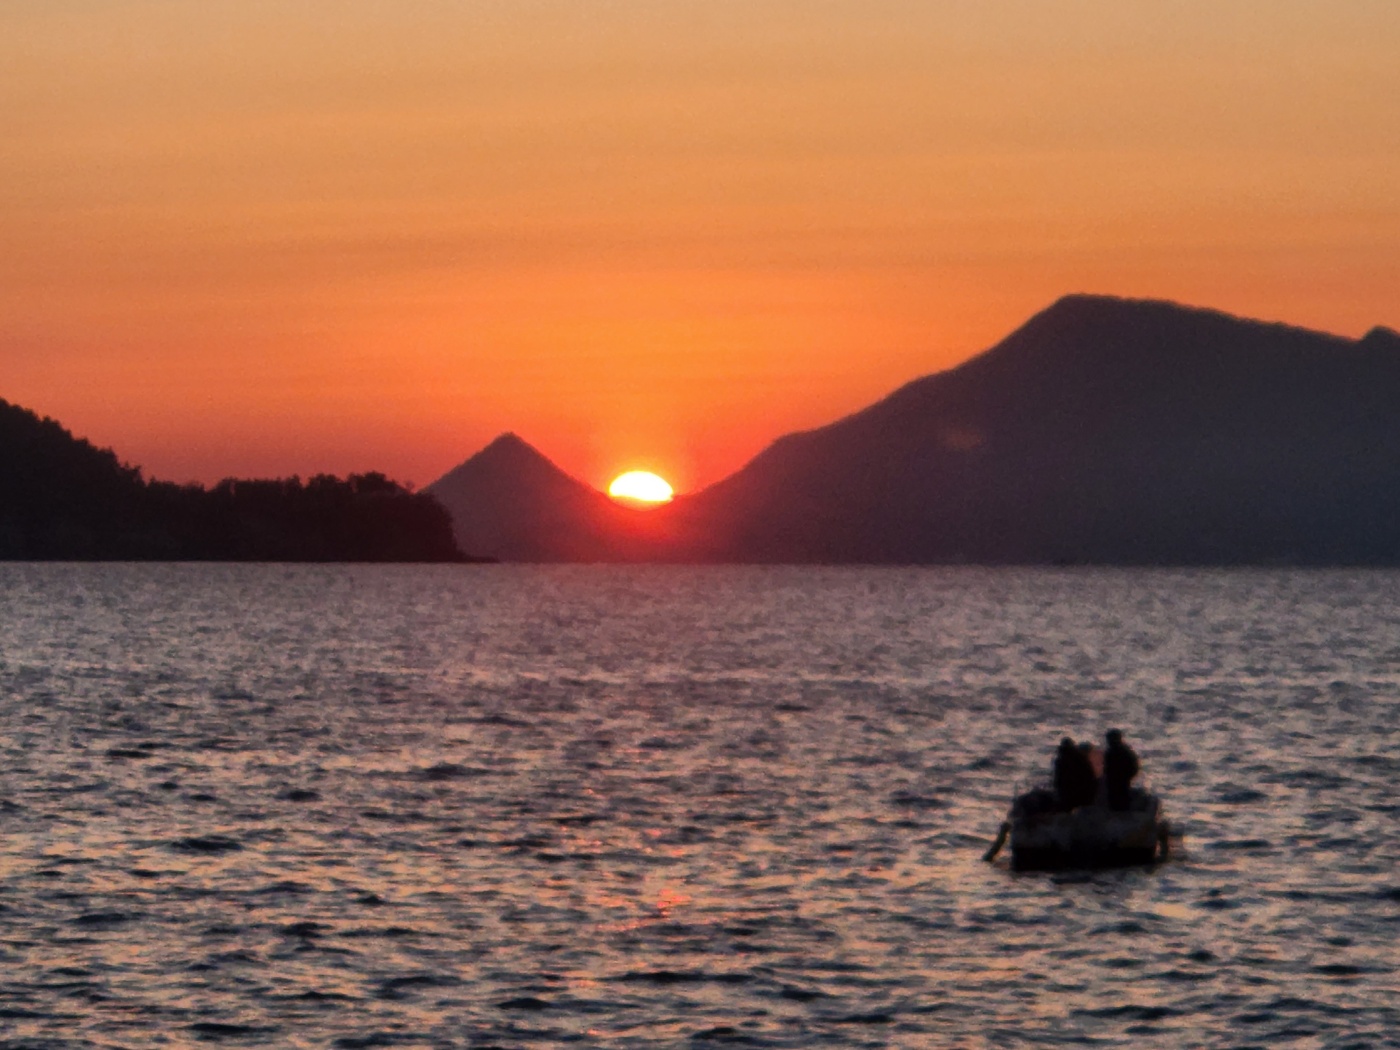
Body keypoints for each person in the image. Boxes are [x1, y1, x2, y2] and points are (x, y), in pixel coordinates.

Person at [1053, 736, 1098, 810]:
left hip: (1069, 796)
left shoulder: (1060, 761)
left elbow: (1058, 780)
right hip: (1084, 795)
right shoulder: (1081, 758)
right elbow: (1090, 776)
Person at [1102, 728, 1140, 811]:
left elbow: (1107, 766)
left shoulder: (1114, 751)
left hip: (1119, 777)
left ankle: (1119, 809)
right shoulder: (1124, 750)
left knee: (1118, 794)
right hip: (1120, 777)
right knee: (1120, 794)